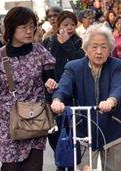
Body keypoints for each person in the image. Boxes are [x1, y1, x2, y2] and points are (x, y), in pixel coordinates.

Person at [0, 7, 57, 171]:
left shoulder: (41, 52)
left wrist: (51, 86)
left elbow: (51, 83)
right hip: (8, 125)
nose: (29, 31)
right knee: (10, 168)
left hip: (36, 122)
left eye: (32, 26)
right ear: (12, 28)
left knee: (33, 167)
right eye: (24, 27)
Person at [51, 24, 121, 171]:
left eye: (104, 47)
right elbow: (64, 87)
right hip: (83, 129)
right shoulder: (74, 67)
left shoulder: (116, 65)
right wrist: (57, 100)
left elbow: (118, 87)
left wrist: (111, 101)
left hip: (114, 128)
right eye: (94, 47)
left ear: (110, 49)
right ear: (86, 48)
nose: (99, 52)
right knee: (82, 168)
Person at [42, 10, 85, 171]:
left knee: (70, 131)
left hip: (72, 95)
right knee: (53, 132)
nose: (69, 28)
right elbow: (44, 67)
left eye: (72, 25)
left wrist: (67, 43)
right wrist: (47, 82)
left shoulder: (78, 42)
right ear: (58, 25)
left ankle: (70, 164)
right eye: (65, 24)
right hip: (51, 94)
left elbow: (80, 63)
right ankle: (60, 158)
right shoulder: (49, 42)